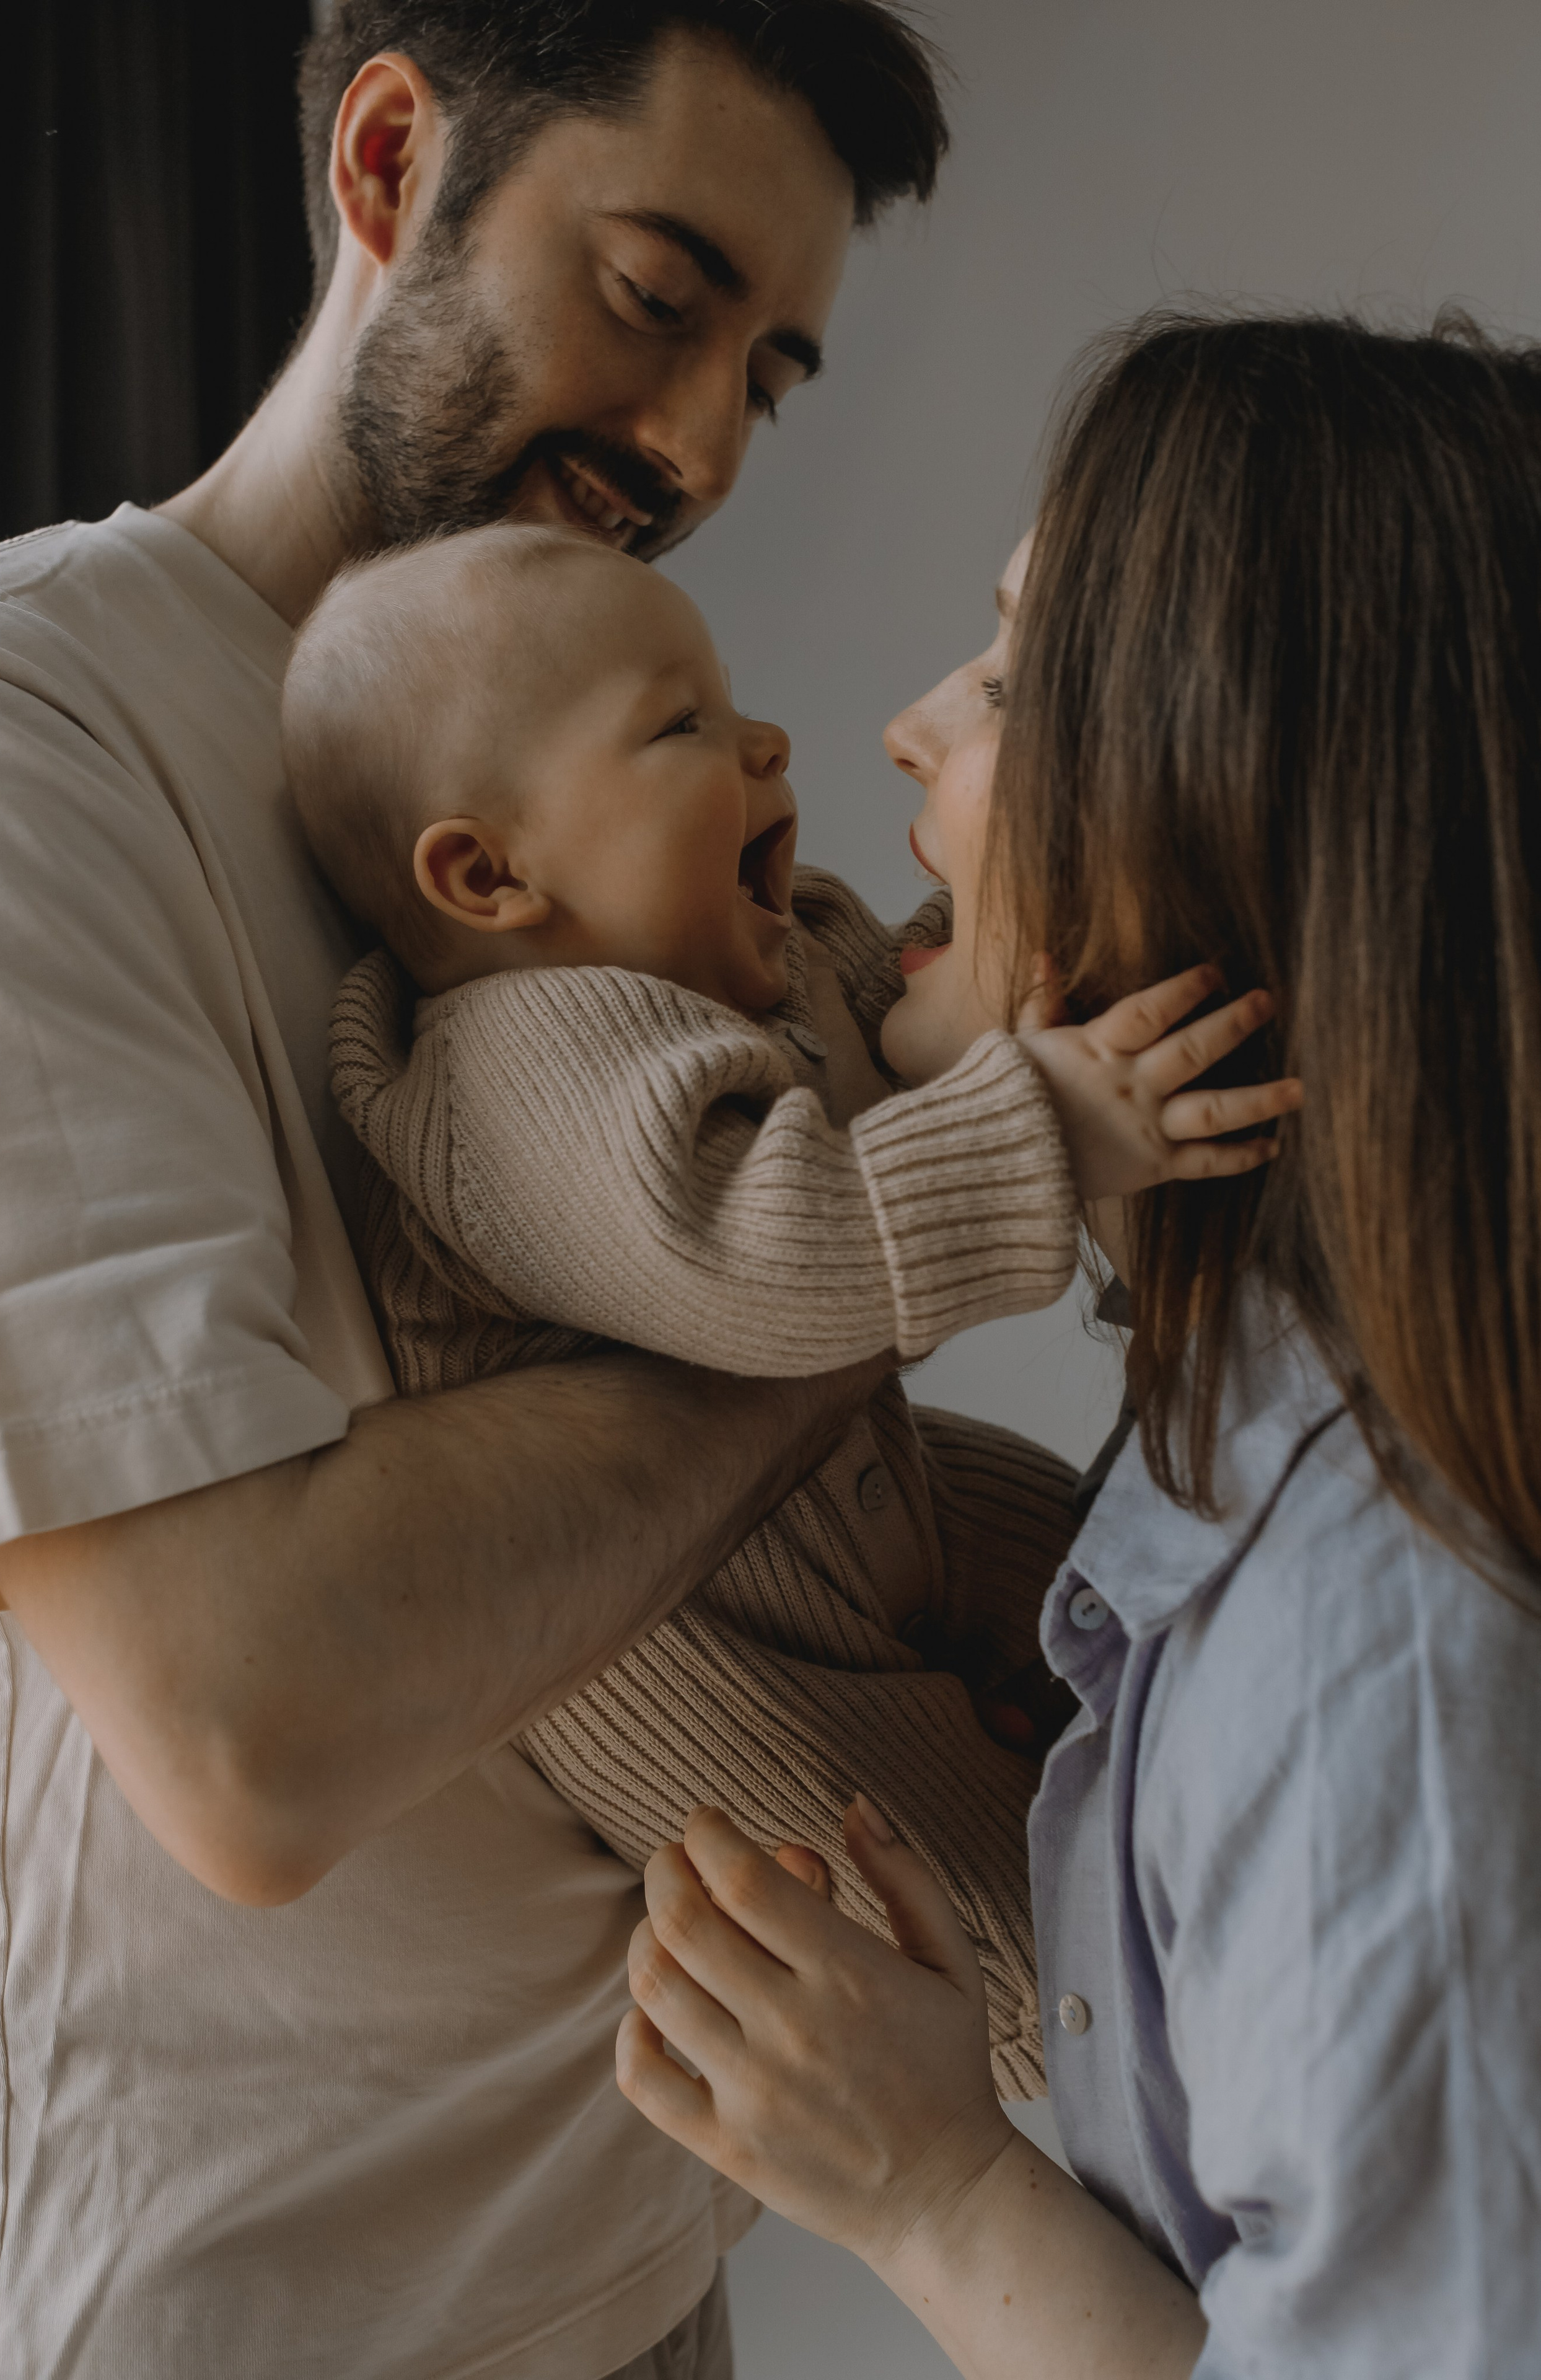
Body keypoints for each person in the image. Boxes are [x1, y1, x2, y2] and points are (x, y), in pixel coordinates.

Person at [0, 7, 958, 2375]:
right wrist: (865, 1249)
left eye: (773, 373)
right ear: (392, 157)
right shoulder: (21, 749)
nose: (703, 444)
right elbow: (255, 1726)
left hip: (637, 2285)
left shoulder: (592, 750)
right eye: (656, 293)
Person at [613, 313, 1541, 2378]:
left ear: (1237, 807)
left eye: (1023, 676)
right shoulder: (1258, 1516)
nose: (905, 731)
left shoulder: (1371, 1645)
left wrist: (934, 2190)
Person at [279, 522, 1296, 2096]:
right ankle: (1145, 2035)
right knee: (927, 1888)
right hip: (701, 1645)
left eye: (733, 701)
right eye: (681, 727)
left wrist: (971, 998)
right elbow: (760, 1256)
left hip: (861, 1492)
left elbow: (886, 1014)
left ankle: (1232, 1756)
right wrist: (1043, 1125)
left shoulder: (746, 952)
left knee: (1120, 1570)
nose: (766, 740)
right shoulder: (516, 1065)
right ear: (490, 875)